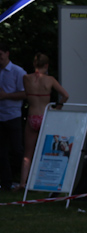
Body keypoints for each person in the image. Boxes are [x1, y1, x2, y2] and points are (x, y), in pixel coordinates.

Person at [20, 53, 69, 189]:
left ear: (34, 64)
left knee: (28, 153)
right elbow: (65, 95)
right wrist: (56, 109)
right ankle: (44, 182)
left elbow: (27, 94)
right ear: (46, 65)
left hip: (32, 117)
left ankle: (23, 182)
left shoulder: (26, 78)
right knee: (47, 152)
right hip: (45, 116)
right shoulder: (50, 80)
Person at [0, 42, 26, 191]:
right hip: (0, 116)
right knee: (1, 152)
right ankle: (6, 183)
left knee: (17, 149)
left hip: (13, 115)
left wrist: (6, 96)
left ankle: (23, 180)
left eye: (0, 55)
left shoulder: (18, 71)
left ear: (7, 53)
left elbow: (25, 93)